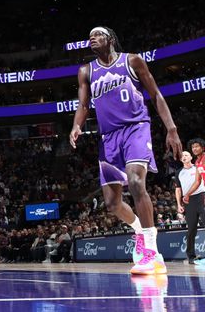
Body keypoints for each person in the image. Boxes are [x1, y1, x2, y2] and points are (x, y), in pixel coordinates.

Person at [69, 26, 182, 275]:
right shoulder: (86, 71)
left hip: (136, 128)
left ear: (110, 39)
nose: (91, 38)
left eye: (96, 35)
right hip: (108, 138)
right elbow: (84, 104)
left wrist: (171, 129)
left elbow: (155, 94)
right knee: (112, 204)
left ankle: (152, 253)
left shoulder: (132, 60)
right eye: (89, 36)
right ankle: (139, 231)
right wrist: (76, 125)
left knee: (135, 182)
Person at [174, 150, 205, 264]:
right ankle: (191, 256)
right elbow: (178, 189)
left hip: (201, 197)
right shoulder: (178, 172)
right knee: (191, 229)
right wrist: (178, 204)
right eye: (182, 156)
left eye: (186, 155)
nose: (184, 157)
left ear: (191, 157)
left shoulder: (198, 167)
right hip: (188, 202)